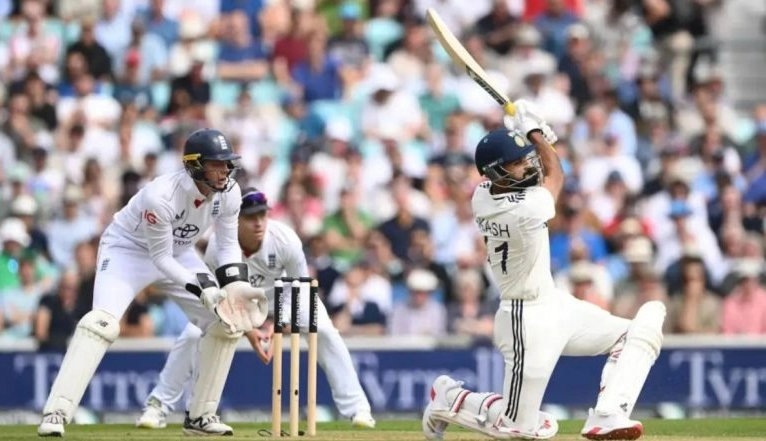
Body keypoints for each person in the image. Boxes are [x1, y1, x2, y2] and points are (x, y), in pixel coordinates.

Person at [421, 100, 666, 441]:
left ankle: (608, 414)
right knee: (519, 429)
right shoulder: (524, 209)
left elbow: (545, 171)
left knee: (640, 329)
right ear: (495, 172)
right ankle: (450, 397)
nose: (526, 167)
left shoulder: (483, 195)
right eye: (517, 163)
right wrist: (536, 134)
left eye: (525, 159)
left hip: (554, 303)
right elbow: (557, 176)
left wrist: (532, 141)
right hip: (524, 319)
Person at [37, 128, 267, 437]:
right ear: (195, 165)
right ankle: (57, 412)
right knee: (101, 324)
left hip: (180, 252)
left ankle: (200, 416)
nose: (225, 171)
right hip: (127, 251)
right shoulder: (161, 197)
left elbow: (226, 245)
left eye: (227, 163)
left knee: (225, 323)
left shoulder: (230, 192)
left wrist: (235, 284)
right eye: (216, 164)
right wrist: (203, 288)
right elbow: (161, 259)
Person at [136, 188, 376, 429]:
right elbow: (220, 297)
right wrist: (250, 331)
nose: (259, 223)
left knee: (324, 331)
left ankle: (359, 409)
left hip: (286, 299)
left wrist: (277, 325)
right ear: (236, 219)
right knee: (192, 334)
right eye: (251, 217)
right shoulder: (219, 245)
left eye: (262, 215)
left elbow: (301, 287)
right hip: (237, 306)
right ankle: (157, 406)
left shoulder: (285, 239)